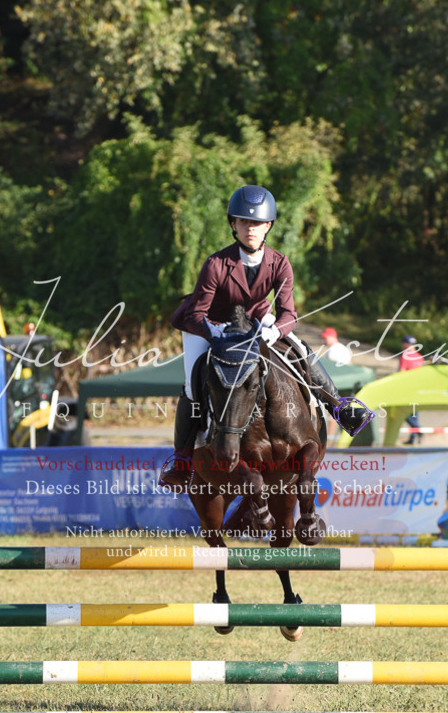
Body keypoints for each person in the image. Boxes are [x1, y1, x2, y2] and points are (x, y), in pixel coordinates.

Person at [158, 185, 373, 489]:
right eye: (244, 222)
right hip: (209, 323)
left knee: (299, 347)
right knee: (193, 385)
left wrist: (274, 331)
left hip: (256, 319)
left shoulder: (279, 262)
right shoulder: (216, 264)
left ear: (268, 226)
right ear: (234, 225)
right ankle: (181, 459)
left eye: (257, 223)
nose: (250, 229)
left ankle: (339, 407)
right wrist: (214, 331)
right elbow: (196, 313)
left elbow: (289, 314)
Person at [399, 334, 424, 445]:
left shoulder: (405, 356)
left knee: (402, 412)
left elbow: (401, 374)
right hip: (418, 389)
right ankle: (413, 438)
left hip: (407, 389)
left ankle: (418, 430)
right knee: (414, 414)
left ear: (406, 344)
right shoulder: (420, 357)